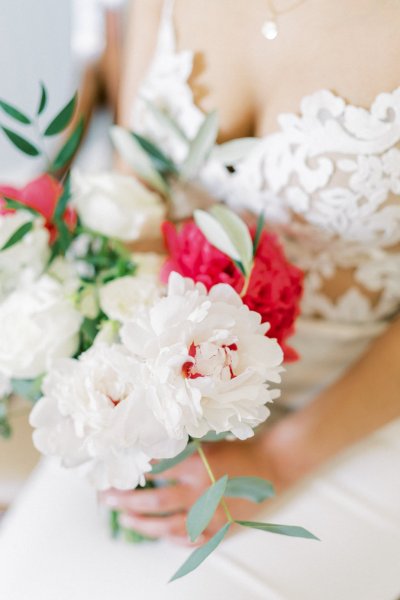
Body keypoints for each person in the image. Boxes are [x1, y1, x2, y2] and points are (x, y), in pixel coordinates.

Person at [1, 1, 400, 598]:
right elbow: (134, 197)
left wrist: (279, 460)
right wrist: (128, 405)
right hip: (170, 390)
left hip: (357, 404)